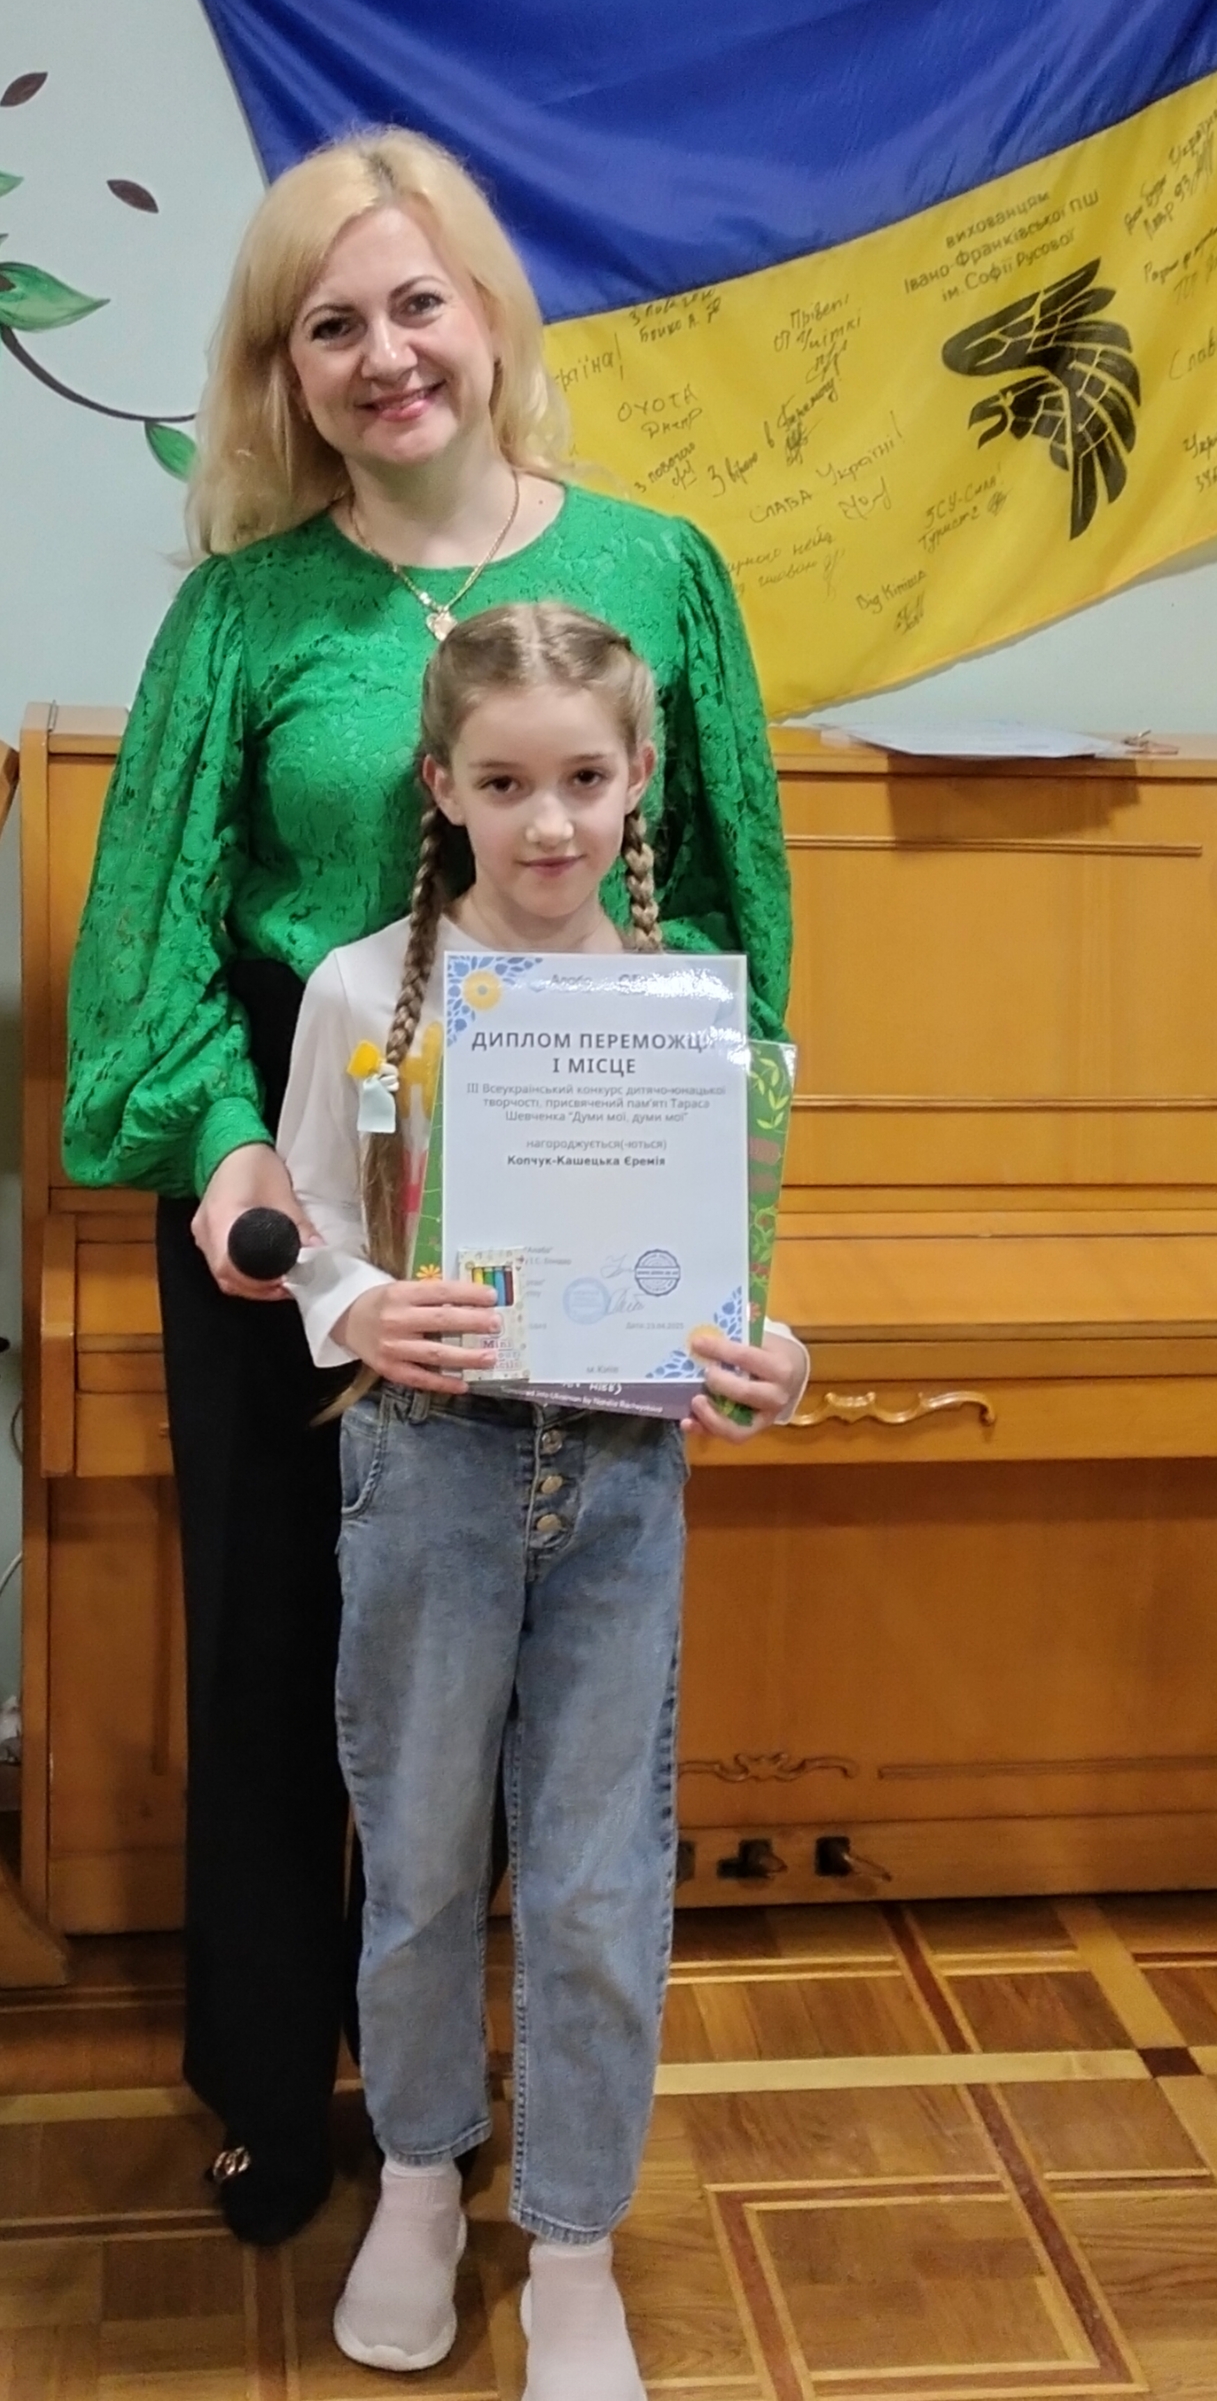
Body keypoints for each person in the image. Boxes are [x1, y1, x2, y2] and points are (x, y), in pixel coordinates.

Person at [61, 126, 793, 2248]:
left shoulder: (661, 568)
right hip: (301, 1206)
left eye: (414, 303)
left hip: (573, 1210)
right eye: (328, 326)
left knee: (529, 1719)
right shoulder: (243, 610)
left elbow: (728, 920)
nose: (383, 355)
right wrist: (238, 1173)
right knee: (289, 1657)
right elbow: (153, 936)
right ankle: (284, 2094)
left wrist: (707, 1246)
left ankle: (486, 2138)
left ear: (486, 316)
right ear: (281, 373)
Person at [278, 601, 808, 2391]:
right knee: (421, 1857)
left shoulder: (686, 1006)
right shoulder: (361, 989)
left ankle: (573, 2241)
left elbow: (719, 1273)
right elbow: (316, 1235)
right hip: (425, 1469)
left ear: (638, 777)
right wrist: (358, 1305)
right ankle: (423, 2179)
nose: (549, 821)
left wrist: (769, 1354)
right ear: (440, 786)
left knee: (592, 1881)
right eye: (502, 784)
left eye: (583, 778)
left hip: (624, 1477)